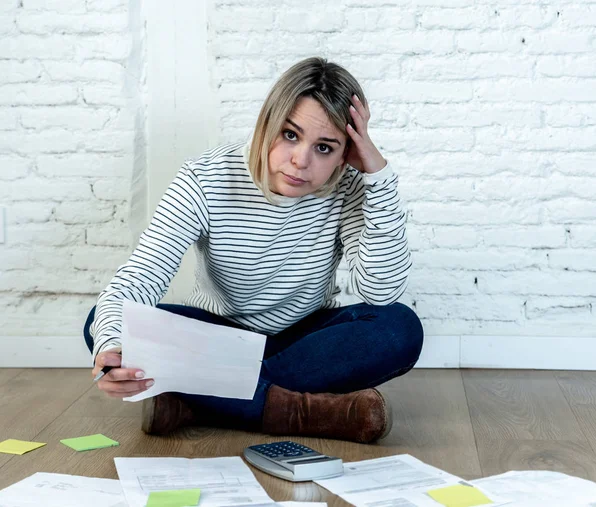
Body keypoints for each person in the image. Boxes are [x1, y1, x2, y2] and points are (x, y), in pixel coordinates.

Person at [84, 56, 424, 444]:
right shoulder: (204, 177)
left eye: (325, 148)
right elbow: (140, 278)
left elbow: (380, 292)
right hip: (217, 334)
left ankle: (197, 402)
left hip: (302, 339)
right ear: (267, 122)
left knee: (399, 328)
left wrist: (379, 178)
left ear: (347, 152)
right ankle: (303, 411)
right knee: (102, 322)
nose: (301, 160)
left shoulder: (347, 186)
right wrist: (111, 345)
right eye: (290, 135)